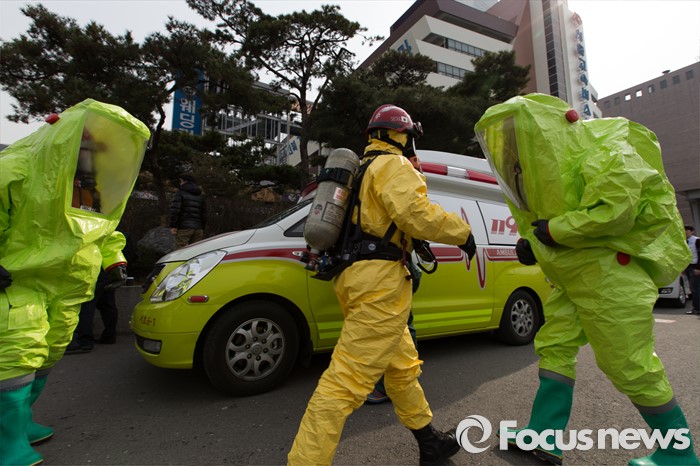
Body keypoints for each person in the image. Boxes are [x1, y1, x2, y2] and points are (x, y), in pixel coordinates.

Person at [475, 93, 697, 466]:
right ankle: (543, 435)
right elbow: (551, 218)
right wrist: (534, 242)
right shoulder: (545, 170)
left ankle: (679, 452)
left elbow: (616, 210)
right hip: (573, 276)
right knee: (555, 345)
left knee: (629, 364)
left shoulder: (606, 151)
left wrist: (554, 231)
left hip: (612, 275)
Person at [288, 104, 476, 466]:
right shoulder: (393, 164)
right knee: (344, 383)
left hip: (356, 279)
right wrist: (462, 233)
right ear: (400, 134)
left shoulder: (361, 172)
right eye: (410, 137)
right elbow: (415, 214)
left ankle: (429, 442)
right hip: (380, 286)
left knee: (401, 369)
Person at [0, 99, 149, 466]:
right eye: (86, 143)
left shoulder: (88, 186)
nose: (92, 153)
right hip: (20, 281)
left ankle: (20, 422)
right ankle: (6, 441)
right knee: (17, 357)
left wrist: (115, 260)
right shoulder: (17, 167)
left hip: (69, 286)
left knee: (48, 353)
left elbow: (105, 230)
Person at [170, 173, 206, 249]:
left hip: (184, 227)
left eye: (181, 181)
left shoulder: (180, 193)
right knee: (196, 251)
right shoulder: (200, 195)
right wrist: (202, 227)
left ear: (185, 181)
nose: (180, 184)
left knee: (181, 250)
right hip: (198, 227)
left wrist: (174, 226)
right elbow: (204, 213)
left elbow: (175, 210)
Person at [684, 225, 699, 315]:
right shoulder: (685, 242)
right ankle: (696, 308)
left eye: (687, 230)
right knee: (693, 288)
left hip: (695, 267)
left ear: (692, 231)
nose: (685, 232)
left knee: (696, 288)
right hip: (689, 267)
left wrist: (698, 268)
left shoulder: (697, 240)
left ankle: (697, 309)